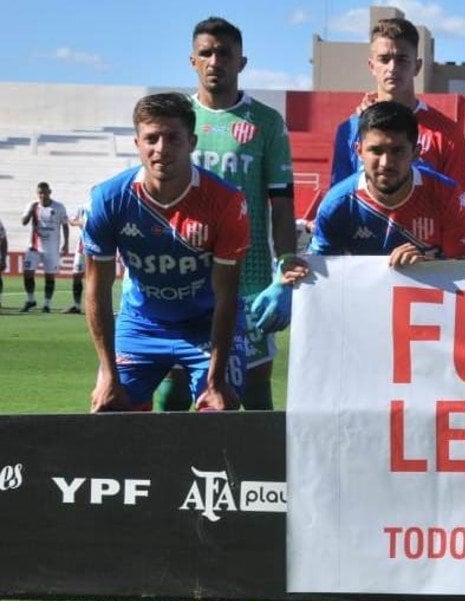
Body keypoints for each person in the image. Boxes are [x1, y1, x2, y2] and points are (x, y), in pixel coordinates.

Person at [153, 17, 300, 412]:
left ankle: (263, 474)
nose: (214, 60)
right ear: (192, 61)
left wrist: (284, 271)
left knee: (252, 384)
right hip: (184, 274)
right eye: (206, 53)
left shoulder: (266, 122)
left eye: (224, 53)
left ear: (242, 62)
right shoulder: (176, 120)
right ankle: (168, 471)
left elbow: (282, 206)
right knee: (177, 374)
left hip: (248, 277)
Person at [83, 93, 257, 412]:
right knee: (109, 411)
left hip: (206, 326)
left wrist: (216, 382)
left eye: (173, 138)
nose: (161, 149)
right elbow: (96, 290)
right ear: (137, 143)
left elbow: (227, 295)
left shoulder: (227, 202)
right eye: (151, 138)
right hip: (141, 323)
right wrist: (108, 374)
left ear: (191, 142)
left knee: (219, 413)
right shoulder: (107, 200)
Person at [310, 101, 465, 263]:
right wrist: (295, 269)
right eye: (376, 150)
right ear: (359, 152)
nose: (386, 163)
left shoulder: (446, 195)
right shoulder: (337, 203)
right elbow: (318, 271)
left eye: (397, 151)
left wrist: (426, 269)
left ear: (416, 153)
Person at [329, 17, 465, 194]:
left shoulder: (447, 133)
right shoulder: (350, 130)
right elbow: (339, 204)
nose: (392, 67)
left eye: (402, 59)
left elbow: (459, 209)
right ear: (371, 66)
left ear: (417, 66)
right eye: (384, 59)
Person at [19, 182, 69, 313]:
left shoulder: (59, 207)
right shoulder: (33, 206)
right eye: (40, 193)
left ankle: (47, 304)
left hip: (51, 248)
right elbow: (23, 222)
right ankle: (31, 300)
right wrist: (30, 211)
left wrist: (66, 244)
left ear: (49, 192)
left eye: (45, 192)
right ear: (37, 193)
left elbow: (65, 225)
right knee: (28, 272)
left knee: (49, 276)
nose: (42, 195)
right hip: (34, 246)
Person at [62, 206, 89, 314]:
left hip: (98, 248)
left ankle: (100, 306)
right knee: (76, 275)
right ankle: (77, 306)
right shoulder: (83, 208)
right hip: (82, 247)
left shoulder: (103, 207)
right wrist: (81, 222)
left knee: (97, 277)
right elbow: (72, 221)